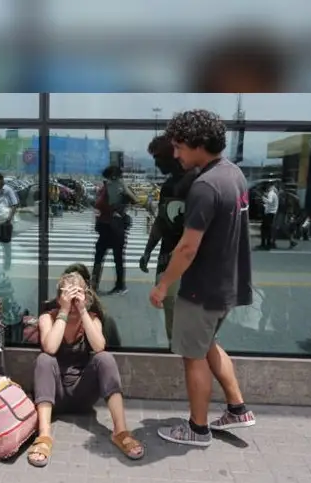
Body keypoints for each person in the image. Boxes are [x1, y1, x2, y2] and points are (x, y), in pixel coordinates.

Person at [148, 109, 256, 447]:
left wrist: (163, 285)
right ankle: (237, 409)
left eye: (179, 147)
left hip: (201, 289)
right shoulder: (233, 174)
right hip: (226, 286)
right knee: (207, 344)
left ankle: (197, 429)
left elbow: (187, 249)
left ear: (198, 143)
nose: (176, 154)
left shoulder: (205, 186)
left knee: (193, 358)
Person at [28, 271, 144, 467]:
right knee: (44, 360)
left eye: (77, 297)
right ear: (59, 298)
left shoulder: (91, 318)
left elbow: (99, 346)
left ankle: (121, 431)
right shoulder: (48, 318)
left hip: (83, 392)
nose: (73, 303)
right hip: (54, 396)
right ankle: (44, 436)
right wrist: (63, 312)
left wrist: (82, 311)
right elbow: (50, 347)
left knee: (104, 358)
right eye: (68, 297)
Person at [140, 133, 198, 343]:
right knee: (173, 325)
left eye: (158, 158)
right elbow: (161, 222)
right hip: (168, 260)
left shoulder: (196, 182)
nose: (155, 163)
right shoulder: (169, 185)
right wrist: (148, 250)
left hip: (187, 266)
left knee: (184, 332)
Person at [92, 166, 136, 295]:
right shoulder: (111, 187)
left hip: (112, 227)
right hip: (109, 227)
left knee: (104, 256)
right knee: (113, 257)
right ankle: (117, 285)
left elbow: (131, 199)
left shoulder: (115, 187)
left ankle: (100, 285)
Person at [260, 180, 280, 249]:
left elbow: (270, 201)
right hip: (272, 212)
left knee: (264, 228)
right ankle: (268, 243)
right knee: (268, 228)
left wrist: (263, 198)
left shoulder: (271, 193)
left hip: (269, 213)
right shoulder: (274, 193)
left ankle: (264, 243)